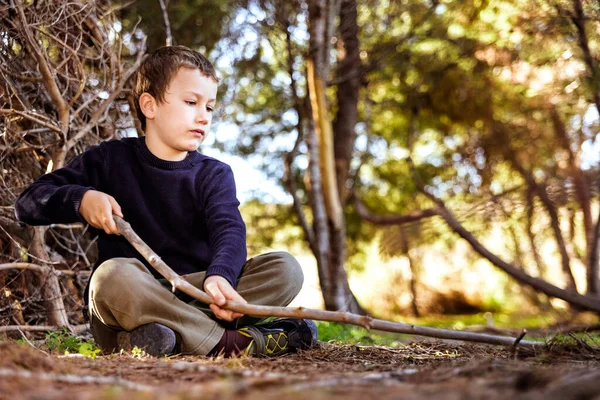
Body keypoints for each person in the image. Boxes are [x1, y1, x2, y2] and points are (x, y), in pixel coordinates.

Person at [15, 45, 317, 357]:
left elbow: (229, 230)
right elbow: (28, 202)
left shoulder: (213, 174)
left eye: (210, 108)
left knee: (286, 268)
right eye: (191, 102)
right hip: (130, 302)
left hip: (200, 296)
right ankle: (235, 343)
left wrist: (220, 277)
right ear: (150, 105)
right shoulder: (108, 160)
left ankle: (165, 338)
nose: (203, 117)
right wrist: (81, 199)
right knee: (111, 276)